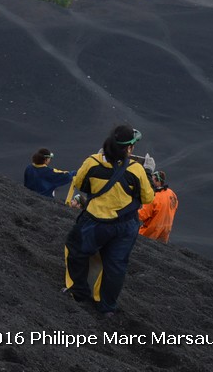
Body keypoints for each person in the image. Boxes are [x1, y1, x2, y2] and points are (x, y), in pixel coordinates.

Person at [63, 124, 154, 315]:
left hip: (94, 222)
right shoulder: (136, 170)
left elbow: (79, 183)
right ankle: (106, 307)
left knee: (77, 251)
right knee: (116, 265)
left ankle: (79, 294)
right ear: (129, 148)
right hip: (125, 226)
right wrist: (147, 173)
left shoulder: (92, 162)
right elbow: (147, 198)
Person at [139, 169, 179, 243]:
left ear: (158, 181)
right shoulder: (171, 193)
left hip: (150, 231)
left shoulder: (153, 197)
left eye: (152, 179)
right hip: (165, 231)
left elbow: (142, 215)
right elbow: (174, 207)